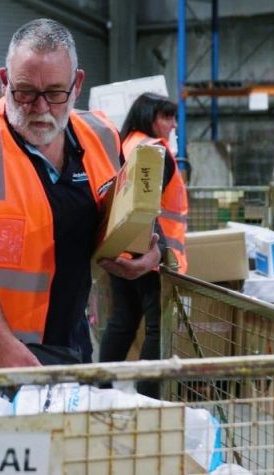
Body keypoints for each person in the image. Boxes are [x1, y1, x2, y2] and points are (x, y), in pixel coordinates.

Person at [0, 18, 160, 370]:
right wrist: (1, 343)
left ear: (77, 84)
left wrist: (145, 253)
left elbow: (121, 214)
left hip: (66, 341)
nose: (40, 108)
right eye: (25, 92)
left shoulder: (101, 136)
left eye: (54, 93)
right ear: (4, 81)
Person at [98, 93, 189, 398]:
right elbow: (148, 208)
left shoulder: (123, 144)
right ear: (150, 117)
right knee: (157, 327)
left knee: (122, 320)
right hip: (149, 253)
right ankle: (148, 396)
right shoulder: (154, 152)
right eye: (168, 117)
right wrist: (158, 254)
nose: (174, 125)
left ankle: (99, 388)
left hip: (120, 247)